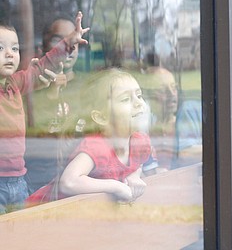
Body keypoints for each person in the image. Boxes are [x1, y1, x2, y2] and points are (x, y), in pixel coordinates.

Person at [0, 11, 89, 214]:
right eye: (0, 48)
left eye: (14, 48)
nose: (9, 54)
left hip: (18, 179)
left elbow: (43, 66)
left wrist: (69, 42)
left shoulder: (16, 83)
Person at [26, 69, 151, 206]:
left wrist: (135, 175)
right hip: (40, 212)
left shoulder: (139, 142)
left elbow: (138, 163)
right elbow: (68, 182)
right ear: (101, 117)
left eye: (139, 95)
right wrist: (116, 186)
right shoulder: (97, 146)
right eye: (125, 99)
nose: (139, 103)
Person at [25, 14, 84, 194]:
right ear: (41, 47)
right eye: (60, 41)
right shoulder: (27, 90)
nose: (69, 47)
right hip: (33, 186)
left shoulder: (88, 88)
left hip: (78, 184)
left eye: (74, 41)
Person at [138, 66, 178, 171]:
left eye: (174, 87)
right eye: (162, 90)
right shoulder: (141, 131)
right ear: (147, 95)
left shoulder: (182, 127)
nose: (172, 94)